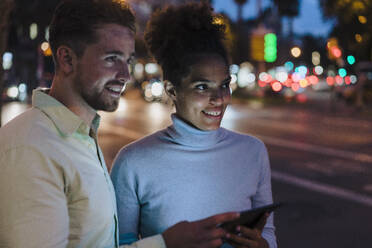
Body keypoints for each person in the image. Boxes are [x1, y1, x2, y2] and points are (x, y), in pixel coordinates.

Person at [0, 0, 239, 247]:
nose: (125, 75)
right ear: (67, 59)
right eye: (112, 58)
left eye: (128, 60)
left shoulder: (78, 137)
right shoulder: (31, 148)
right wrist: (165, 244)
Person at [111, 3, 277, 248]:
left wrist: (263, 246)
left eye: (224, 84)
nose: (219, 98)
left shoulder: (253, 152)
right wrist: (167, 243)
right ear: (171, 90)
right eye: (202, 87)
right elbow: (117, 244)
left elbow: (269, 234)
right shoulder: (132, 162)